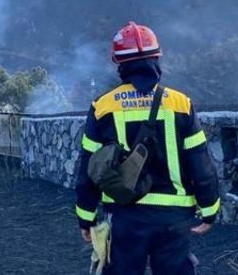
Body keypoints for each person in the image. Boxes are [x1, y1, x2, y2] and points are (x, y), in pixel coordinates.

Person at [74, 21, 221, 275]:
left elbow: (88, 169)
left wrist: (86, 217)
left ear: (119, 63)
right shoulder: (180, 104)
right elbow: (201, 165)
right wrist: (209, 211)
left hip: (126, 219)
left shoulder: (103, 107)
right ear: (156, 57)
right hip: (173, 220)